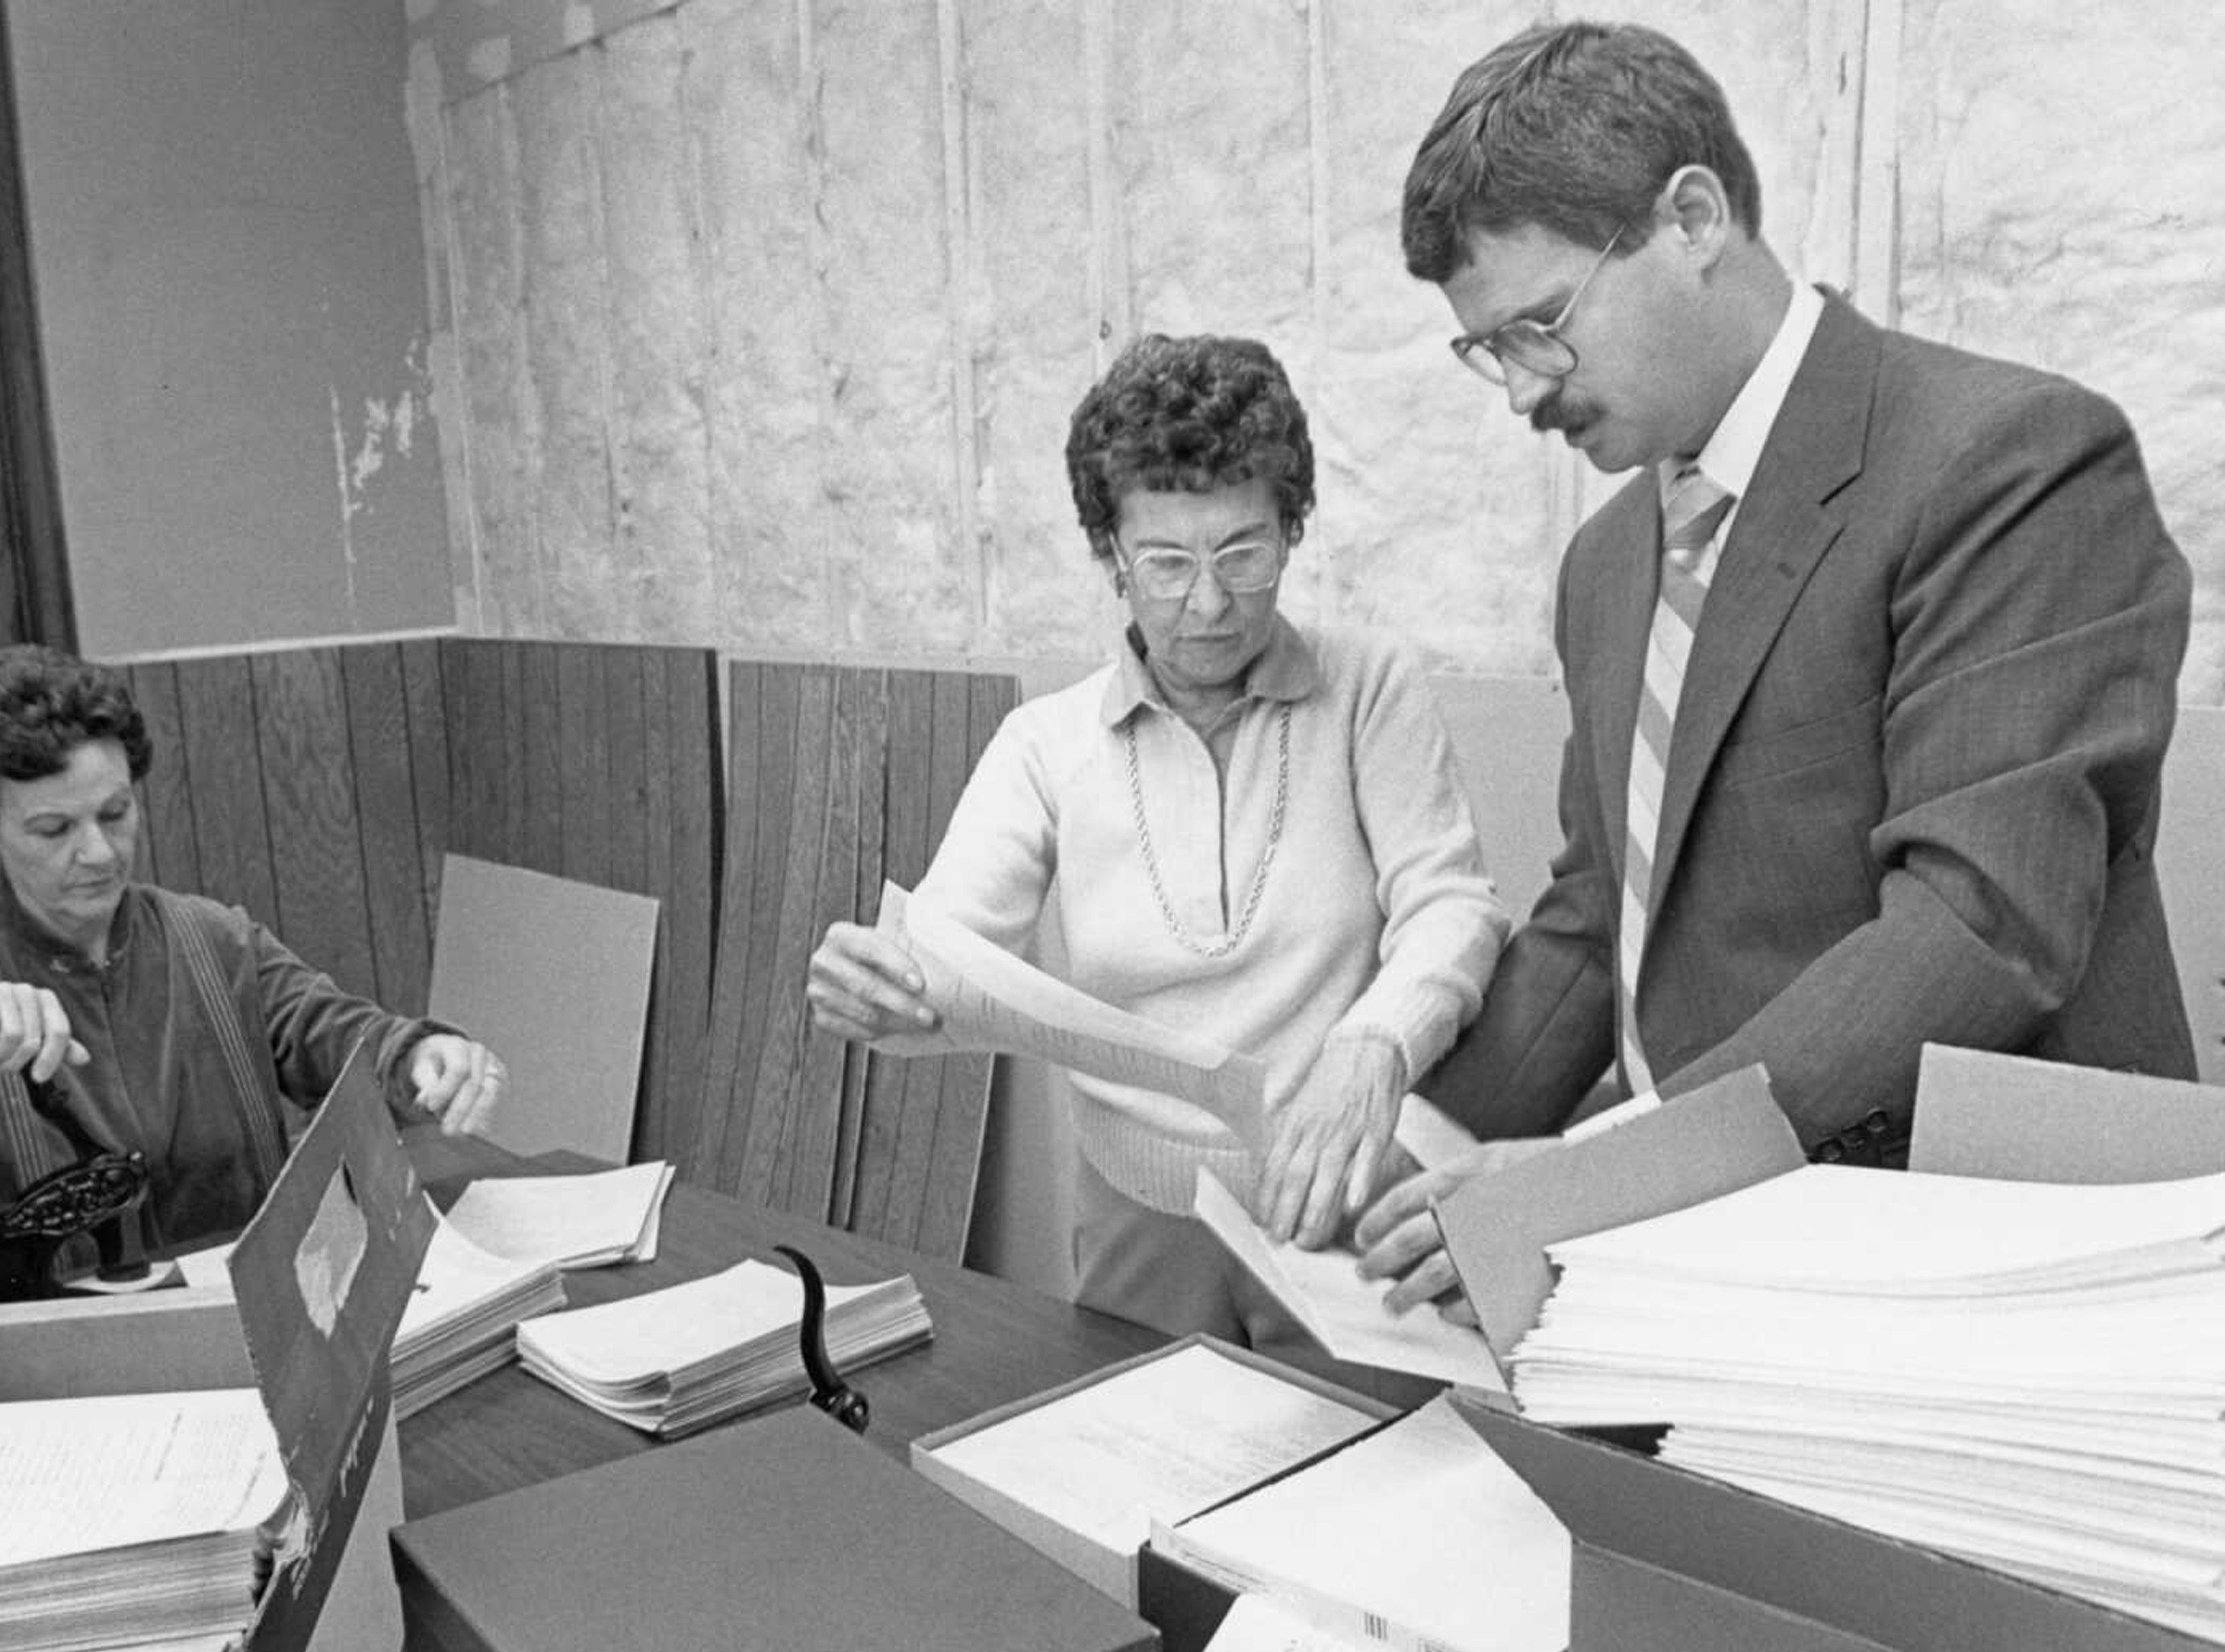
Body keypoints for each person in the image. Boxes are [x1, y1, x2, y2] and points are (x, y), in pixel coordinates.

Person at [1356, 20, 2195, 1315]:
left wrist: (1589, 1179)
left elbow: (1979, 928)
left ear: (1692, 217)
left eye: (1539, 325)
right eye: (1489, 351)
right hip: (1696, 1262)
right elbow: (1600, 925)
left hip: (1982, 1277)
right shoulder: (1606, 565)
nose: (1521, 393)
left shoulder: (2010, 463)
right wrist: (1398, 1146)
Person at [806, 333, 1506, 1343]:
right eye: (1167, 564)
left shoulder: (1369, 687)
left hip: (1337, 1183)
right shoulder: (1047, 743)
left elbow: (1451, 903)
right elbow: (947, 954)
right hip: (1139, 1216)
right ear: (1111, 560)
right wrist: (878, 986)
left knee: (1364, 1469)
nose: (1210, 602)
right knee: (1147, 1467)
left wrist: (1374, 1048)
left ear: (1292, 529)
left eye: (1244, 553)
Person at [0, 644, 506, 1315]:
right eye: (53, 830)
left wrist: (416, 1056)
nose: (97, 853)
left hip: (254, 1322)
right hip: (43, 1364)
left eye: (116, 814)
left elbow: (336, 1034)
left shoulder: (214, 940)